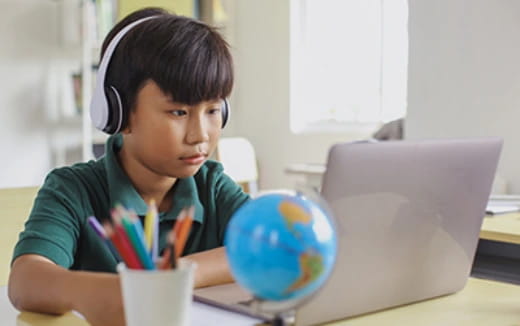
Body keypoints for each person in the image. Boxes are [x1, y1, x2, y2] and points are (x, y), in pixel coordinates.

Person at [8, 7, 249, 326]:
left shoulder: (213, 185)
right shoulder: (73, 189)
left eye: (213, 110)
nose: (201, 135)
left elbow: (269, 247)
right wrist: (93, 292)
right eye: (178, 112)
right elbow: (25, 280)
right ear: (117, 112)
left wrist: (172, 274)